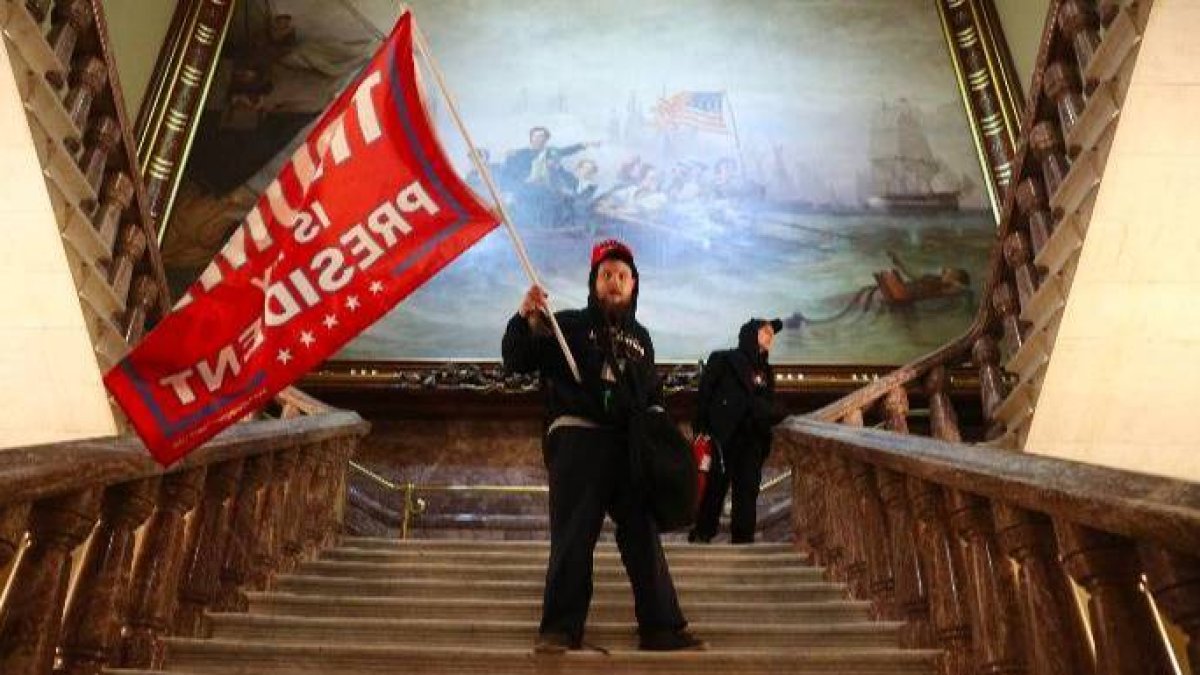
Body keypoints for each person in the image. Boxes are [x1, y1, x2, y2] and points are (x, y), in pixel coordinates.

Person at [502, 239, 704, 653]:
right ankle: (560, 629)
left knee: (643, 535)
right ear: (594, 283)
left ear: (634, 286)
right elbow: (517, 358)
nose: (614, 283)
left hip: (629, 445)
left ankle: (661, 627)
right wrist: (524, 317)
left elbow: (652, 395)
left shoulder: (643, 340)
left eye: (622, 277)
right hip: (580, 439)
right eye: (606, 275)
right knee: (574, 535)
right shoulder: (567, 326)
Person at [689, 318, 784, 544]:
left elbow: (767, 405)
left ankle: (743, 541)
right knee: (714, 488)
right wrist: (701, 430)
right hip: (723, 438)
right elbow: (704, 396)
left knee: (748, 490)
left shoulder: (767, 372)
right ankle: (703, 534)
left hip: (751, 439)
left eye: (773, 333)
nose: (770, 335)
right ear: (750, 334)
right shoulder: (723, 359)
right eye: (765, 331)